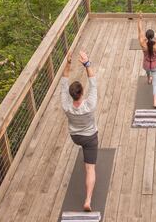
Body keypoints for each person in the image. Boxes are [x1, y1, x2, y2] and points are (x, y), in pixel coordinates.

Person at [60, 50, 98, 212]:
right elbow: (93, 82)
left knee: (84, 153)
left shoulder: (66, 104)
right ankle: (88, 200)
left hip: (75, 137)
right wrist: (86, 63)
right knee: (90, 168)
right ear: (82, 93)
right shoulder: (89, 105)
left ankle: (88, 199)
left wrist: (68, 63)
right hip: (89, 137)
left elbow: (63, 81)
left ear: (71, 95)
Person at [137, 10, 156, 108]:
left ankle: (148, 79)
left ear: (146, 37)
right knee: (155, 85)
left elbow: (140, 31)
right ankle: (155, 103)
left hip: (146, 65)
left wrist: (139, 18)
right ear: (153, 36)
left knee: (148, 71)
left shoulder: (143, 44)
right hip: (155, 66)